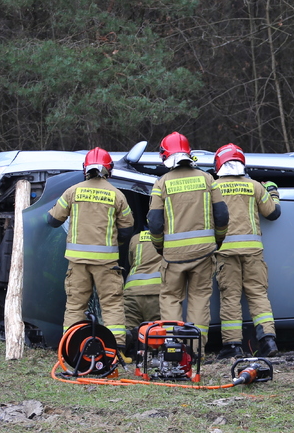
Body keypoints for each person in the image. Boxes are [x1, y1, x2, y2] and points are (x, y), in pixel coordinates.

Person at [47, 147, 135, 350]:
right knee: (112, 305)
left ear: (85, 168)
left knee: (76, 305)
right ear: (109, 169)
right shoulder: (117, 195)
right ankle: (116, 349)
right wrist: (115, 243)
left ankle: (71, 348)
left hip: (77, 264)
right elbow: (127, 229)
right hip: (106, 264)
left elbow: (52, 220)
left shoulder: (72, 191)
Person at [148, 132, 228, 356]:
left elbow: (154, 223)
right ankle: (195, 351)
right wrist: (217, 241)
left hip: (173, 257)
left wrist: (160, 248)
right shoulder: (207, 179)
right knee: (199, 299)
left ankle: (173, 347)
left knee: (171, 298)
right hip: (204, 254)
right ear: (188, 154)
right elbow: (222, 216)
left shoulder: (161, 183)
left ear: (166, 156)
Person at [211, 143, 282, 359]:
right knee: (258, 295)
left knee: (231, 298)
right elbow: (273, 213)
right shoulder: (254, 186)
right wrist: (273, 191)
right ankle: (268, 341)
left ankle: (232, 346)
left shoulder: (213, 187)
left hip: (225, 252)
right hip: (253, 252)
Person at [121, 228, 162, 349]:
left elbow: (130, 260)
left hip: (131, 291)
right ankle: (152, 354)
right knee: (155, 331)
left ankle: (130, 351)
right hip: (156, 292)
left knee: (129, 328)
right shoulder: (169, 236)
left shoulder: (135, 238)